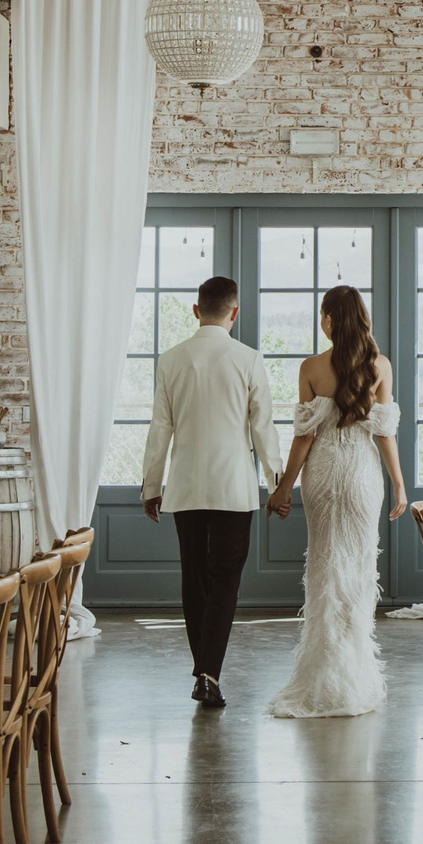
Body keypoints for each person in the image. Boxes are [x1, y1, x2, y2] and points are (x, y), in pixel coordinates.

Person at [266, 283, 409, 719]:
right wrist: (399, 483)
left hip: (324, 476)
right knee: (359, 568)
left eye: (321, 315)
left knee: (325, 565)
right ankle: (354, 675)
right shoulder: (379, 365)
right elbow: (384, 434)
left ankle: (323, 676)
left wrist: (284, 487)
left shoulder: (311, 367)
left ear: (329, 319)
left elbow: (304, 437)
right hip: (363, 476)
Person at [140, 275, 277, 709]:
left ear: (196, 311)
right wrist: (276, 485)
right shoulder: (249, 359)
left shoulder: (170, 360)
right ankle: (208, 674)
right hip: (234, 488)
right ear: (235, 312)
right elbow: (263, 428)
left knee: (194, 578)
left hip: (185, 487)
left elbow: (160, 429)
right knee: (225, 582)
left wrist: (151, 486)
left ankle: (204, 670)